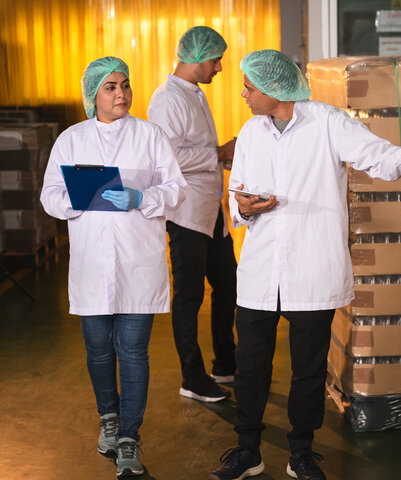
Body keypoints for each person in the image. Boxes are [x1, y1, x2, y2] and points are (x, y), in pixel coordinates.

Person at [208, 49, 401, 480]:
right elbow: (236, 200)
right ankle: (248, 449)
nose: (243, 94)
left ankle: (301, 452)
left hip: (312, 268)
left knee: (308, 368)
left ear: (273, 89)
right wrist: (247, 206)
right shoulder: (250, 132)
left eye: (249, 87)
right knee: (251, 366)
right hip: (261, 271)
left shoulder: (327, 122)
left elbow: (375, 154)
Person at [40, 56, 186, 477]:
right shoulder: (71, 138)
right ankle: (109, 419)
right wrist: (79, 199)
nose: (121, 93)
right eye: (110, 87)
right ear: (93, 95)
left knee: (134, 352)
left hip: (139, 261)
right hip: (90, 263)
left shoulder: (150, 135)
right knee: (98, 349)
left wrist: (143, 199)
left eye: (125, 85)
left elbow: (176, 188)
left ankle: (129, 439)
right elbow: (50, 194)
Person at [148, 26, 237, 404]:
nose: (218, 67)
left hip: (210, 210)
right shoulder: (168, 99)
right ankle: (193, 378)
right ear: (198, 58)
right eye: (215, 60)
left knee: (229, 285)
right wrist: (218, 153)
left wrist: (226, 159)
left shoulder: (194, 94)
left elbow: (194, 150)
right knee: (189, 298)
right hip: (185, 214)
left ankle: (226, 364)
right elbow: (169, 158)